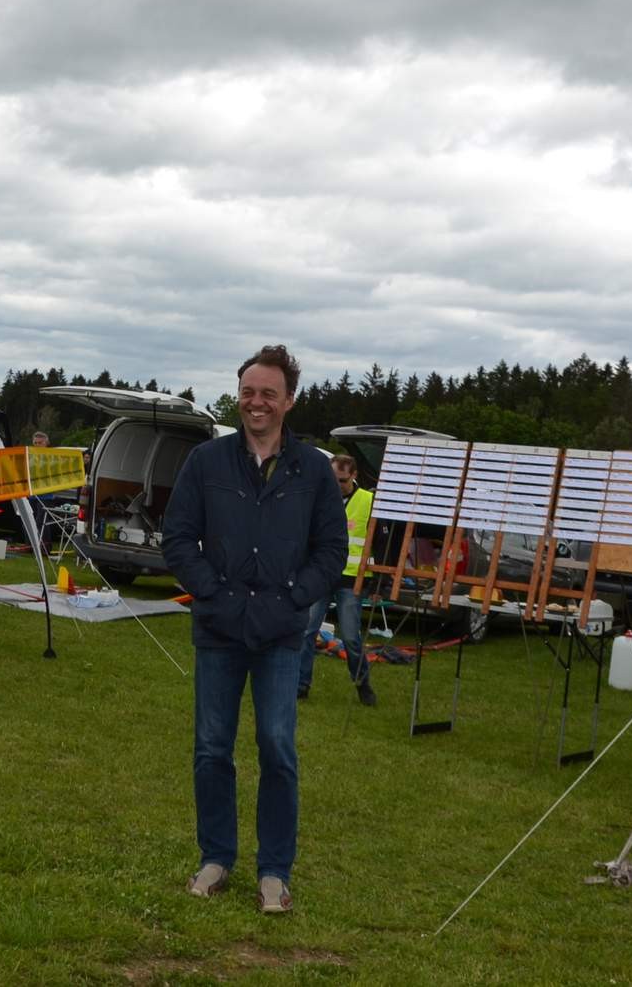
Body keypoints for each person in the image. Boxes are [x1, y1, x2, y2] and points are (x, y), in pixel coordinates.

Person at [159, 344, 347, 916]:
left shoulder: (313, 469)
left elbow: (331, 550)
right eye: (247, 392)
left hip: (281, 633)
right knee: (212, 748)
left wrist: (293, 597)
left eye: (268, 393)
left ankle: (274, 872)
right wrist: (213, 592)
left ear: (289, 401)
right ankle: (216, 858)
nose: (256, 402)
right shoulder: (206, 462)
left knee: (277, 747)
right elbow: (177, 537)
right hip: (219, 628)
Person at [297, 453, 376, 706]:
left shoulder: (368, 501)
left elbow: (380, 541)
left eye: (342, 480)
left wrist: (378, 581)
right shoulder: (319, 497)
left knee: (351, 637)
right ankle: (301, 685)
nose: (337, 485)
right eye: (333, 479)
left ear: (354, 476)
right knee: (307, 630)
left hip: (351, 579)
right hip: (320, 574)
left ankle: (362, 683)